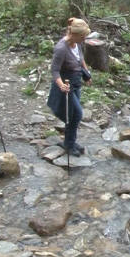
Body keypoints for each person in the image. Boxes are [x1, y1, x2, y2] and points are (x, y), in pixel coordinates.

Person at [46, 17, 92, 157]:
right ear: (75, 34)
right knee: (77, 114)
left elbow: (81, 59)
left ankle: (69, 141)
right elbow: (54, 70)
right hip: (66, 85)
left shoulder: (76, 43)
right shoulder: (61, 48)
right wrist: (61, 86)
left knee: (71, 114)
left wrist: (87, 74)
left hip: (76, 82)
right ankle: (69, 144)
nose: (84, 39)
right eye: (83, 36)